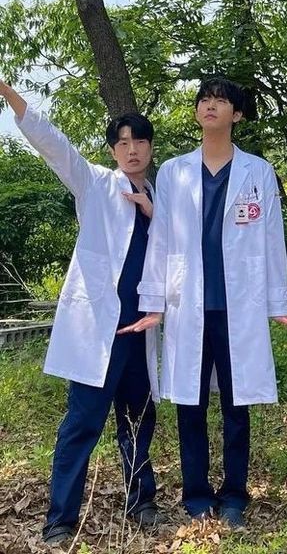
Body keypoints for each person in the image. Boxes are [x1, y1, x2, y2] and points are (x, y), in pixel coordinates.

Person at [137, 76, 287, 527]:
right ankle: (196, 495)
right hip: (189, 303)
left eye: (220, 100)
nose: (210, 106)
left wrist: (277, 303)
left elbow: (272, 240)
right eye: (204, 100)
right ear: (197, 112)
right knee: (190, 405)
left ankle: (233, 495)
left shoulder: (259, 172)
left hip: (239, 308)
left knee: (237, 405)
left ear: (237, 114)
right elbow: (161, 239)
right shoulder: (174, 172)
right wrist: (154, 301)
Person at [0, 81, 161, 546]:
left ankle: (141, 500)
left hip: (141, 328)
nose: (132, 150)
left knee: (138, 419)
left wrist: (154, 212)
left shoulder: (161, 195)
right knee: (82, 424)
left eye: (140, 141)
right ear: (113, 150)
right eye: (123, 142)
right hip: (101, 331)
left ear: (150, 147)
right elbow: (53, 143)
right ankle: (61, 518)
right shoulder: (94, 182)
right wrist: (12, 95)